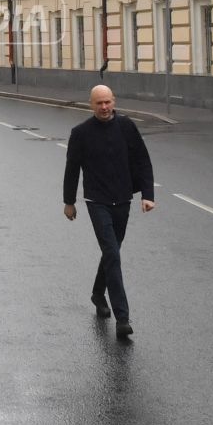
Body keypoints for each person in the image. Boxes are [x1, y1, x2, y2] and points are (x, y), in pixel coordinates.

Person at [62, 84, 155, 340]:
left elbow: (142, 161)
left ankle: (96, 293)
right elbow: (72, 169)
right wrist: (69, 202)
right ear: (91, 105)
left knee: (111, 252)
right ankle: (122, 318)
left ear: (114, 101)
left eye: (107, 102)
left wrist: (148, 195)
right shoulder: (80, 133)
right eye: (99, 103)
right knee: (112, 254)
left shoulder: (127, 127)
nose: (104, 107)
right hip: (97, 201)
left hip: (123, 200)